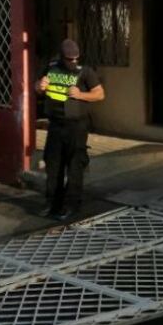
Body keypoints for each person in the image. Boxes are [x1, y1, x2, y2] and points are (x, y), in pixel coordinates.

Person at [36, 38, 104, 221]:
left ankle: (71, 205)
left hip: (77, 126)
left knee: (74, 166)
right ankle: (52, 203)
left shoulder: (85, 72)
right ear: (61, 57)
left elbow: (100, 94)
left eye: (76, 58)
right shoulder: (51, 67)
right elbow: (38, 87)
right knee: (53, 165)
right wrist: (40, 86)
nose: (74, 62)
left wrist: (80, 94)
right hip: (56, 124)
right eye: (69, 59)